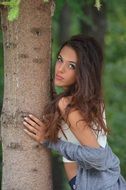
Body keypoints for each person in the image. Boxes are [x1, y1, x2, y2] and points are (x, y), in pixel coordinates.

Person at [23, 34, 126, 190]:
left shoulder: (69, 105)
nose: (60, 69)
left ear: (83, 72)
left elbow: (98, 157)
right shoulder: (87, 100)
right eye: (60, 59)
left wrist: (48, 141)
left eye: (72, 66)